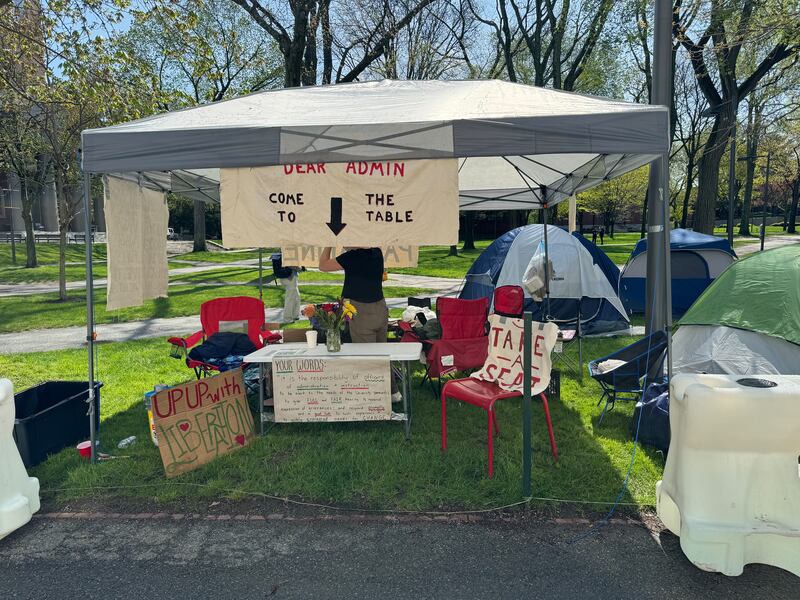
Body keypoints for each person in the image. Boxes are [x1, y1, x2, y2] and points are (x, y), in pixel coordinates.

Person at [319, 247, 400, 402]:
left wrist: (328, 244)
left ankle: (374, 396)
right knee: (381, 352)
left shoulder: (352, 256)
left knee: (367, 356)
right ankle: (392, 391)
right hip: (380, 307)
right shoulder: (377, 252)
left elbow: (323, 266)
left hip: (362, 310)